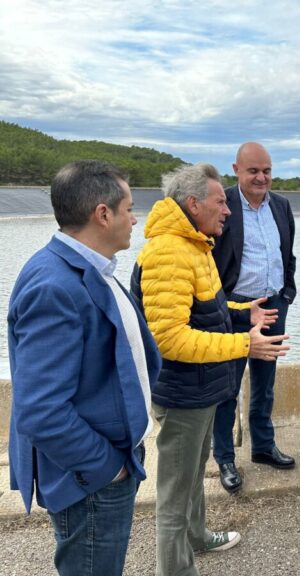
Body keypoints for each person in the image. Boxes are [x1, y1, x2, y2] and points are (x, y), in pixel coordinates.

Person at [131, 163, 290, 576]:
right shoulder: (169, 251)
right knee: (173, 494)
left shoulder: (193, 244)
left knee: (195, 472)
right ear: (193, 203)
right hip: (183, 394)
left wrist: (243, 311)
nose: (228, 210)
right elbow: (169, 339)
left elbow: (208, 311)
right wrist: (244, 343)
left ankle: (198, 536)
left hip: (200, 390)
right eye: (221, 201)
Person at [7, 160, 161, 576]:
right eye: (129, 207)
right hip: (92, 476)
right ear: (103, 213)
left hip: (109, 460)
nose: (135, 218)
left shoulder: (93, 267)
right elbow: (40, 410)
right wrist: (107, 469)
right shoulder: (54, 285)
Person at [212, 141, 297, 493]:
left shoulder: (281, 205)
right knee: (226, 387)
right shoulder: (223, 206)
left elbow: (287, 254)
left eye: (267, 170)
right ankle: (225, 458)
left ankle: (263, 447)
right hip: (234, 310)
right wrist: (225, 305)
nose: (261, 177)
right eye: (253, 171)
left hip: (274, 305)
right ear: (235, 170)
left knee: (265, 383)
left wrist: (287, 292)